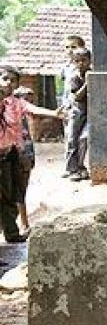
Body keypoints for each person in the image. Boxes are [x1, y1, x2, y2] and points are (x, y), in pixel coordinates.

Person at [0, 67, 63, 243]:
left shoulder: (15, 103)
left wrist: (54, 113)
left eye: (13, 81)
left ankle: (11, 234)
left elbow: (33, 109)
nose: (9, 84)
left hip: (9, 154)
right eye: (5, 79)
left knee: (10, 196)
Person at [64, 47, 91, 181]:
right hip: (78, 111)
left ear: (89, 61)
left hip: (91, 112)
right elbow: (77, 97)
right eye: (77, 61)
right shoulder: (74, 77)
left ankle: (80, 166)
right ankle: (71, 169)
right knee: (72, 140)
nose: (81, 64)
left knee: (84, 139)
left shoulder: (92, 74)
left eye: (84, 60)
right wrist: (87, 83)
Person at [13, 86, 36, 237]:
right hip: (14, 157)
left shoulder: (23, 120)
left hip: (23, 157)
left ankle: (23, 224)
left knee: (20, 192)